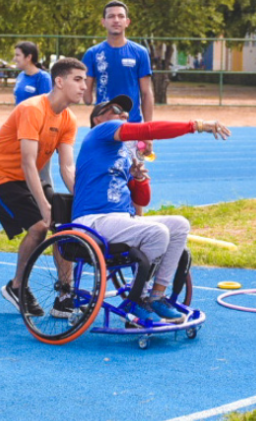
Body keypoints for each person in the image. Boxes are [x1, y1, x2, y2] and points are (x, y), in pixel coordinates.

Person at [72, 94, 229, 322]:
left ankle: (157, 296)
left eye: (125, 112)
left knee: (179, 225)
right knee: (157, 232)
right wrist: (197, 125)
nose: (123, 114)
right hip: (93, 221)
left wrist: (139, 179)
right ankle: (138, 298)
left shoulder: (123, 155)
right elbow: (149, 129)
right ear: (97, 119)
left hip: (118, 220)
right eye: (115, 109)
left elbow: (142, 201)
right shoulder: (100, 132)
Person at [0, 57, 87, 316]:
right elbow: (28, 163)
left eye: (85, 80)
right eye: (78, 79)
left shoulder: (69, 119)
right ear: (59, 82)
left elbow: (67, 168)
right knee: (39, 225)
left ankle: (64, 294)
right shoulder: (33, 109)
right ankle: (17, 286)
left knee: (63, 224)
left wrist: (84, 199)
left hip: (25, 177)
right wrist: (44, 205)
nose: (84, 86)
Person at [82, 0, 154, 154]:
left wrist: (148, 132)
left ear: (127, 22)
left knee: (136, 173)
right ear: (103, 22)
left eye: (121, 16)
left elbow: (146, 93)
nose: (116, 20)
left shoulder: (140, 52)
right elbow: (86, 98)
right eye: (111, 16)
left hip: (133, 125)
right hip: (103, 127)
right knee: (105, 173)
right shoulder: (92, 54)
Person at [12, 41, 54, 187]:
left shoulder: (43, 78)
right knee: (22, 170)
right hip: (21, 130)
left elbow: (48, 107)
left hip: (38, 132)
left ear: (28, 57)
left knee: (41, 173)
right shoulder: (21, 76)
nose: (15, 58)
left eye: (18, 55)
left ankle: (51, 206)